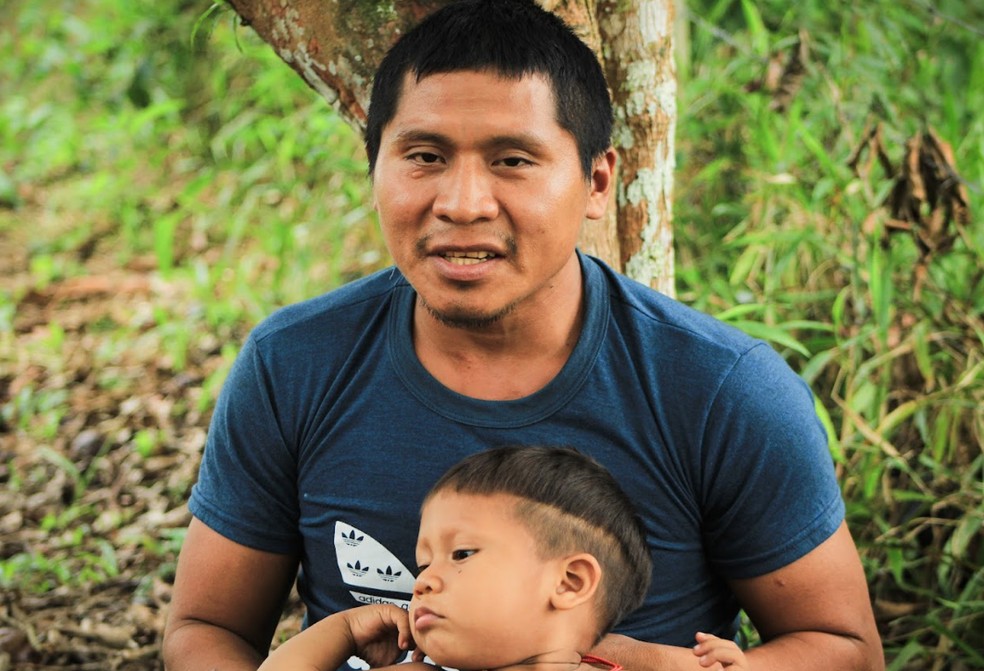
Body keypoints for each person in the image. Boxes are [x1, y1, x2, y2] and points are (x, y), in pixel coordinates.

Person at [162, 1, 884, 670]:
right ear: (374, 167)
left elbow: (843, 644)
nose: (463, 203)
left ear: (598, 182)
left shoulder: (722, 390)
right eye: (424, 156)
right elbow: (206, 630)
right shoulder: (296, 363)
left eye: (512, 160)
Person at [255, 446, 747, 671]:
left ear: (571, 582)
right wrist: (342, 631)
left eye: (461, 554)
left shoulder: (618, 661)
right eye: (424, 565)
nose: (422, 582)